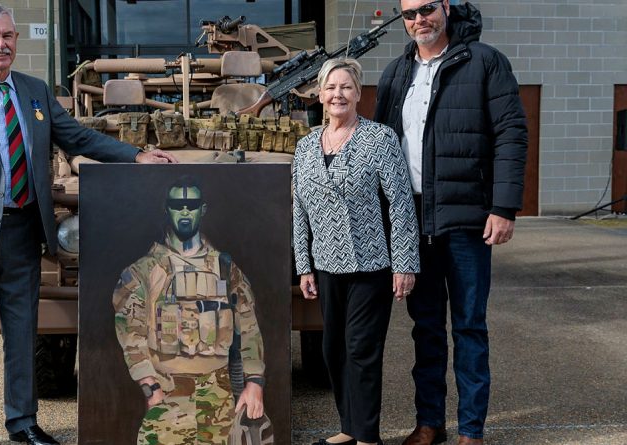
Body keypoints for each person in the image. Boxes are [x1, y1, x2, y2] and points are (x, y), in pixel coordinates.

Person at [0, 3, 177, 445]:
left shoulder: (34, 92)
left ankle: (22, 422)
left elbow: (79, 137)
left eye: (8, 36)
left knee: (22, 338)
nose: (1, 45)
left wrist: (135, 155)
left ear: (16, 40)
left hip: (23, 234)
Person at [374, 2, 528, 444]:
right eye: (408, 14)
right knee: (425, 330)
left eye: (426, 8)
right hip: (412, 220)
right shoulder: (395, 73)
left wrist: (504, 207)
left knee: (469, 327)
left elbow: (512, 133)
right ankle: (430, 423)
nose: (418, 19)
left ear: (446, 7)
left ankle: (472, 431)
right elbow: (380, 147)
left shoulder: (484, 61)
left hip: (466, 221)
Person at [292, 58, 420, 445]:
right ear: (319, 94)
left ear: (359, 94)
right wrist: (304, 266)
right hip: (326, 266)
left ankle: (367, 437)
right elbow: (299, 209)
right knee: (333, 351)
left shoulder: (379, 139)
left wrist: (405, 263)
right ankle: (349, 427)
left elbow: (400, 205)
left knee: (361, 350)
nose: (338, 94)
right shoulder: (305, 147)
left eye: (346, 87)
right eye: (331, 87)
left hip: (371, 265)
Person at [112, 176, 267, 445]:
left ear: (202, 210)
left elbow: (248, 325)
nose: (185, 211)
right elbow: (131, 336)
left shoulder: (226, 269)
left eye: (192, 204)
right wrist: (151, 389)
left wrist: (254, 383)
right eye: (178, 204)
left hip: (219, 393)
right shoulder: (144, 272)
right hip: (168, 391)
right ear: (167, 209)